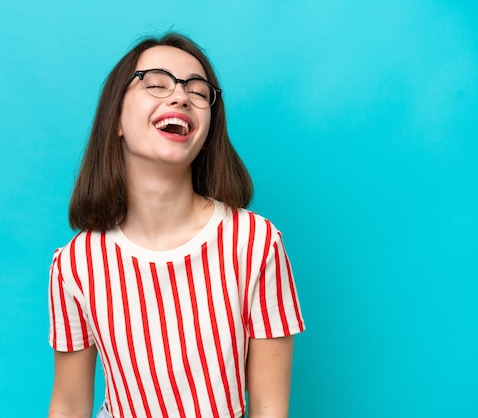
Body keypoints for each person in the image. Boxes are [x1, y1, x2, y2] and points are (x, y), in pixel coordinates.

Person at [47, 32, 305, 418]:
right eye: (155, 83)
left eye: (199, 92)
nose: (181, 96)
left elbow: (270, 409)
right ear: (115, 119)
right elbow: (69, 404)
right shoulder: (74, 265)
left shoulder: (256, 243)